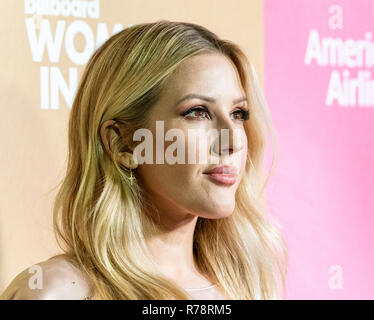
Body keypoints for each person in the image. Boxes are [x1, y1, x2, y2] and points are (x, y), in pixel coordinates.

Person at [0, 20, 288, 300]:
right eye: (198, 112)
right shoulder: (56, 292)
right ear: (123, 143)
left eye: (238, 114)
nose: (234, 141)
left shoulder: (250, 288)